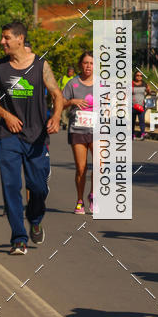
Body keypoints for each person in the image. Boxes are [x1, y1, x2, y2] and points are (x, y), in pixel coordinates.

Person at [0, 20, 62, 254]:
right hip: (8, 136)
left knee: (38, 187)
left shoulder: (41, 66)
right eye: (2, 38)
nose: (2, 42)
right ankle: (19, 238)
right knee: (11, 187)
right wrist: (6, 115)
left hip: (37, 136)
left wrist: (56, 116)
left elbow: (56, 94)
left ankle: (35, 218)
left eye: (6, 38)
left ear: (19, 38)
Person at [62, 52, 94, 214]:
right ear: (80, 64)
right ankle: (80, 200)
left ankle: (93, 195)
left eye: (91, 63)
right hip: (78, 130)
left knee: (100, 166)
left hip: (98, 130)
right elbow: (60, 104)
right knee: (81, 168)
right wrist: (72, 102)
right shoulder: (72, 84)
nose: (88, 66)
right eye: (85, 63)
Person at [132, 70, 150, 139]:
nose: (139, 77)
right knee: (133, 121)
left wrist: (148, 91)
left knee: (142, 120)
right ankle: (132, 134)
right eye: (137, 75)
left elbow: (149, 93)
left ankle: (142, 134)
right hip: (132, 106)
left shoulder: (144, 84)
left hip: (141, 105)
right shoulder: (131, 84)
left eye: (141, 76)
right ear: (135, 76)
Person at [60, 65, 76, 130]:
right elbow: (58, 86)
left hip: (70, 98)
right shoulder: (62, 78)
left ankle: (67, 122)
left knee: (69, 111)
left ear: (73, 73)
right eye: (69, 72)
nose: (70, 73)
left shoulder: (74, 79)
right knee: (63, 110)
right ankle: (64, 123)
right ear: (67, 72)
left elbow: (75, 88)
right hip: (63, 97)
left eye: (71, 72)